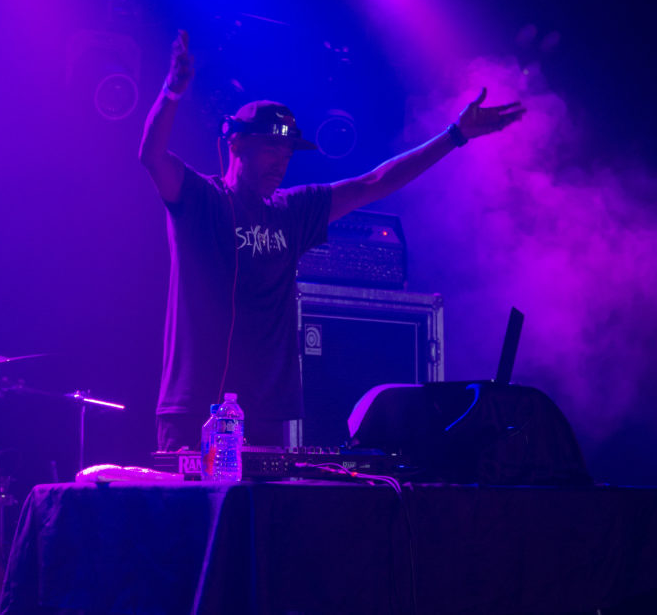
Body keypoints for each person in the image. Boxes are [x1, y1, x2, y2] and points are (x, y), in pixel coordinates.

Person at [140, 30, 525, 451]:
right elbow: (152, 156)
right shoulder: (200, 198)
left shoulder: (292, 210)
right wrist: (172, 92)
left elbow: (374, 182)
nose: (281, 164)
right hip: (194, 409)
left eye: (287, 155)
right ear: (236, 144)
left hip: (265, 413)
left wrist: (454, 136)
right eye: (270, 150)